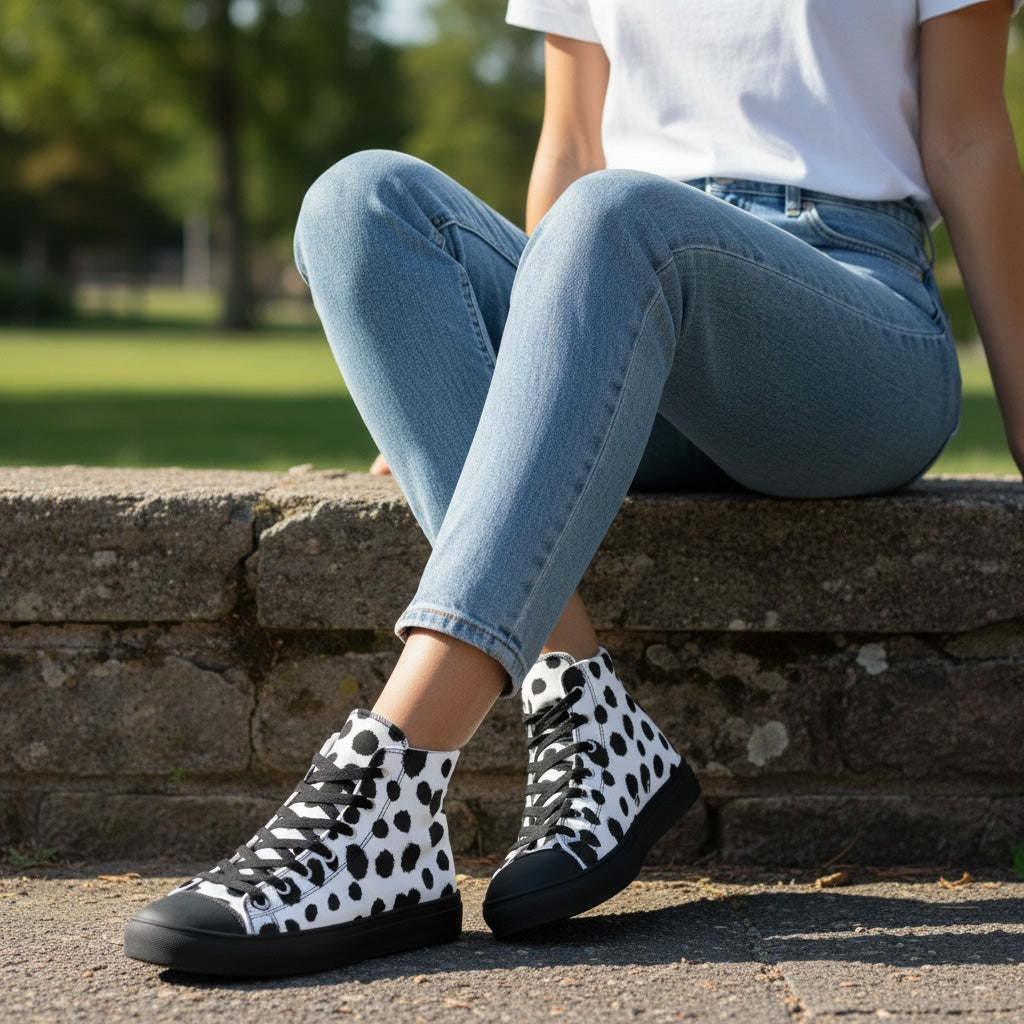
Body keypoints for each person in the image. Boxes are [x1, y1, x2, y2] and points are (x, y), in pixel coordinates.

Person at [124, 0, 1024, 977]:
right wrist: (506, 401)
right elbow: (570, 144)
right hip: (620, 300)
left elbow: (969, 136)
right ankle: (583, 707)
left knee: (616, 211)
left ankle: (390, 783)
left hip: (845, 315)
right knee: (359, 201)